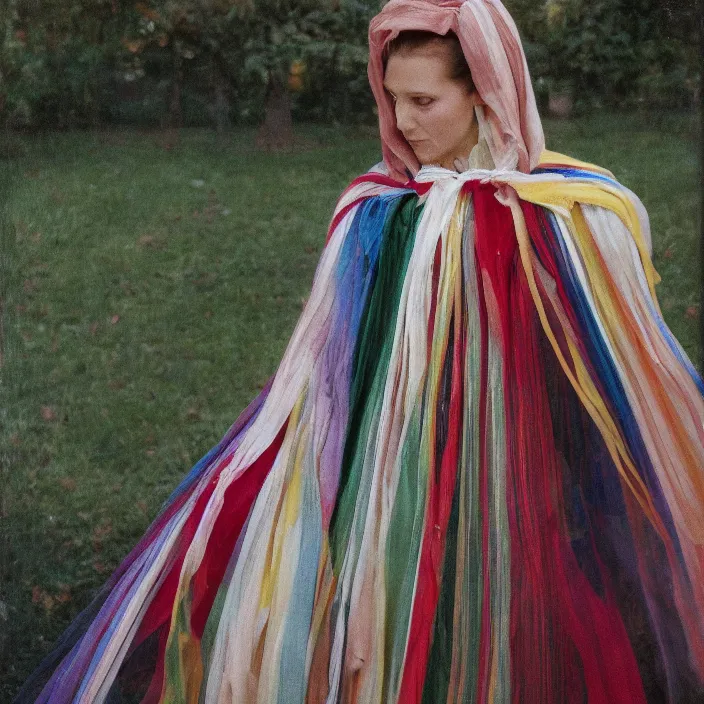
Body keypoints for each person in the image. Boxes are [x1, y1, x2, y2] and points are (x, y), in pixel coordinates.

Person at [14, 0, 704, 702]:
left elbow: (609, 353)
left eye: (425, 101)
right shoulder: (380, 210)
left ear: (485, 93)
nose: (404, 122)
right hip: (393, 448)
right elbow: (338, 359)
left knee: (515, 596)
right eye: (394, 99)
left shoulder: (563, 211)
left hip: (523, 444)